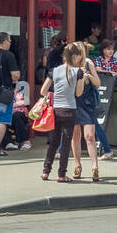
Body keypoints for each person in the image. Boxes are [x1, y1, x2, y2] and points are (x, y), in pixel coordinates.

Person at [40, 42, 87, 182]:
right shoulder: (78, 72)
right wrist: (82, 79)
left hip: (55, 109)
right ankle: (61, 174)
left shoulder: (54, 71)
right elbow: (78, 93)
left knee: (54, 142)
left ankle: (45, 171)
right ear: (76, 56)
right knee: (66, 143)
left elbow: (43, 91)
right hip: (70, 109)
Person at [69, 43, 102, 181]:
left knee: (89, 136)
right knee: (75, 135)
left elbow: (98, 83)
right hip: (72, 102)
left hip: (86, 103)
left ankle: (95, 166)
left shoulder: (88, 63)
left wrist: (87, 75)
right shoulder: (67, 65)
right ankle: (77, 164)